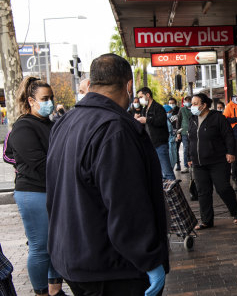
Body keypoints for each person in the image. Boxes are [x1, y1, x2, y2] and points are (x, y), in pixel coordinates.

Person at [46, 53, 168, 296]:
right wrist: (149, 259)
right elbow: (126, 205)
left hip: (73, 257)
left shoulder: (66, 121)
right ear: (129, 85)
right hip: (111, 268)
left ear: (92, 84)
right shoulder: (115, 129)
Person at [3, 76, 65, 296]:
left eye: (51, 97)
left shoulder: (51, 124)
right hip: (33, 192)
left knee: (55, 243)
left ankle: (55, 289)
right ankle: (41, 293)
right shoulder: (23, 127)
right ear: (31, 100)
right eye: (44, 98)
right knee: (40, 247)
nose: (49, 102)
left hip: (51, 191)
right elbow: (41, 163)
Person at [187, 93, 237, 229]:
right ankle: (206, 221)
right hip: (199, 163)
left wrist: (230, 152)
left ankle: (235, 211)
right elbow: (191, 139)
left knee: (223, 188)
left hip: (217, 161)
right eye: (192, 104)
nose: (192, 106)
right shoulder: (192, 119)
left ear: (204, 105)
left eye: (195, 104)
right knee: (203, 192)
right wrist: (189, 156)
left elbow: (228, 135)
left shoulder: (217, 117)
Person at [136, 87, 175, 180]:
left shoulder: (158, 107)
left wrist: (147, 120)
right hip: (150, 144)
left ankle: (174, 193)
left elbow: (161, 121)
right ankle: (164, 193)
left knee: (167, 172)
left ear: (148, 95)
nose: (139, 100)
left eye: (141, 97)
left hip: (160, 144)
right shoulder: (144, 109)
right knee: (159, 173)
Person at [178, 96, 193, 178]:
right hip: (184, 132)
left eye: (189, 101)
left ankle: (193, 163)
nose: (187, 102)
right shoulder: (182, 110)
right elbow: (179, 121)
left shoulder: (194, 109)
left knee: (193, 147)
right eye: (186, 101)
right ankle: (186, 165)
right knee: (185, 148)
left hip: (193, 132)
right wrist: (178, 132)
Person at [167, 98, 183, 172]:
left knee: (185, 148)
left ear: (176, 103)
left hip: (180, 131)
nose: (171, 104)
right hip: (172, 134)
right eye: (170, 103)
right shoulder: (167, 113)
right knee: (175, 149)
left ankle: (183, 163)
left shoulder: (179, 110)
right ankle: (177, 163)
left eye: (172, 103)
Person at [163, 105, 178, 172]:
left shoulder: (167, 120)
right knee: (170, 161)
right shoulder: (165, 121)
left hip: (171, 142)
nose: (171, 113)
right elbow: (168, 134)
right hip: (170, 143)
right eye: (170, 112)